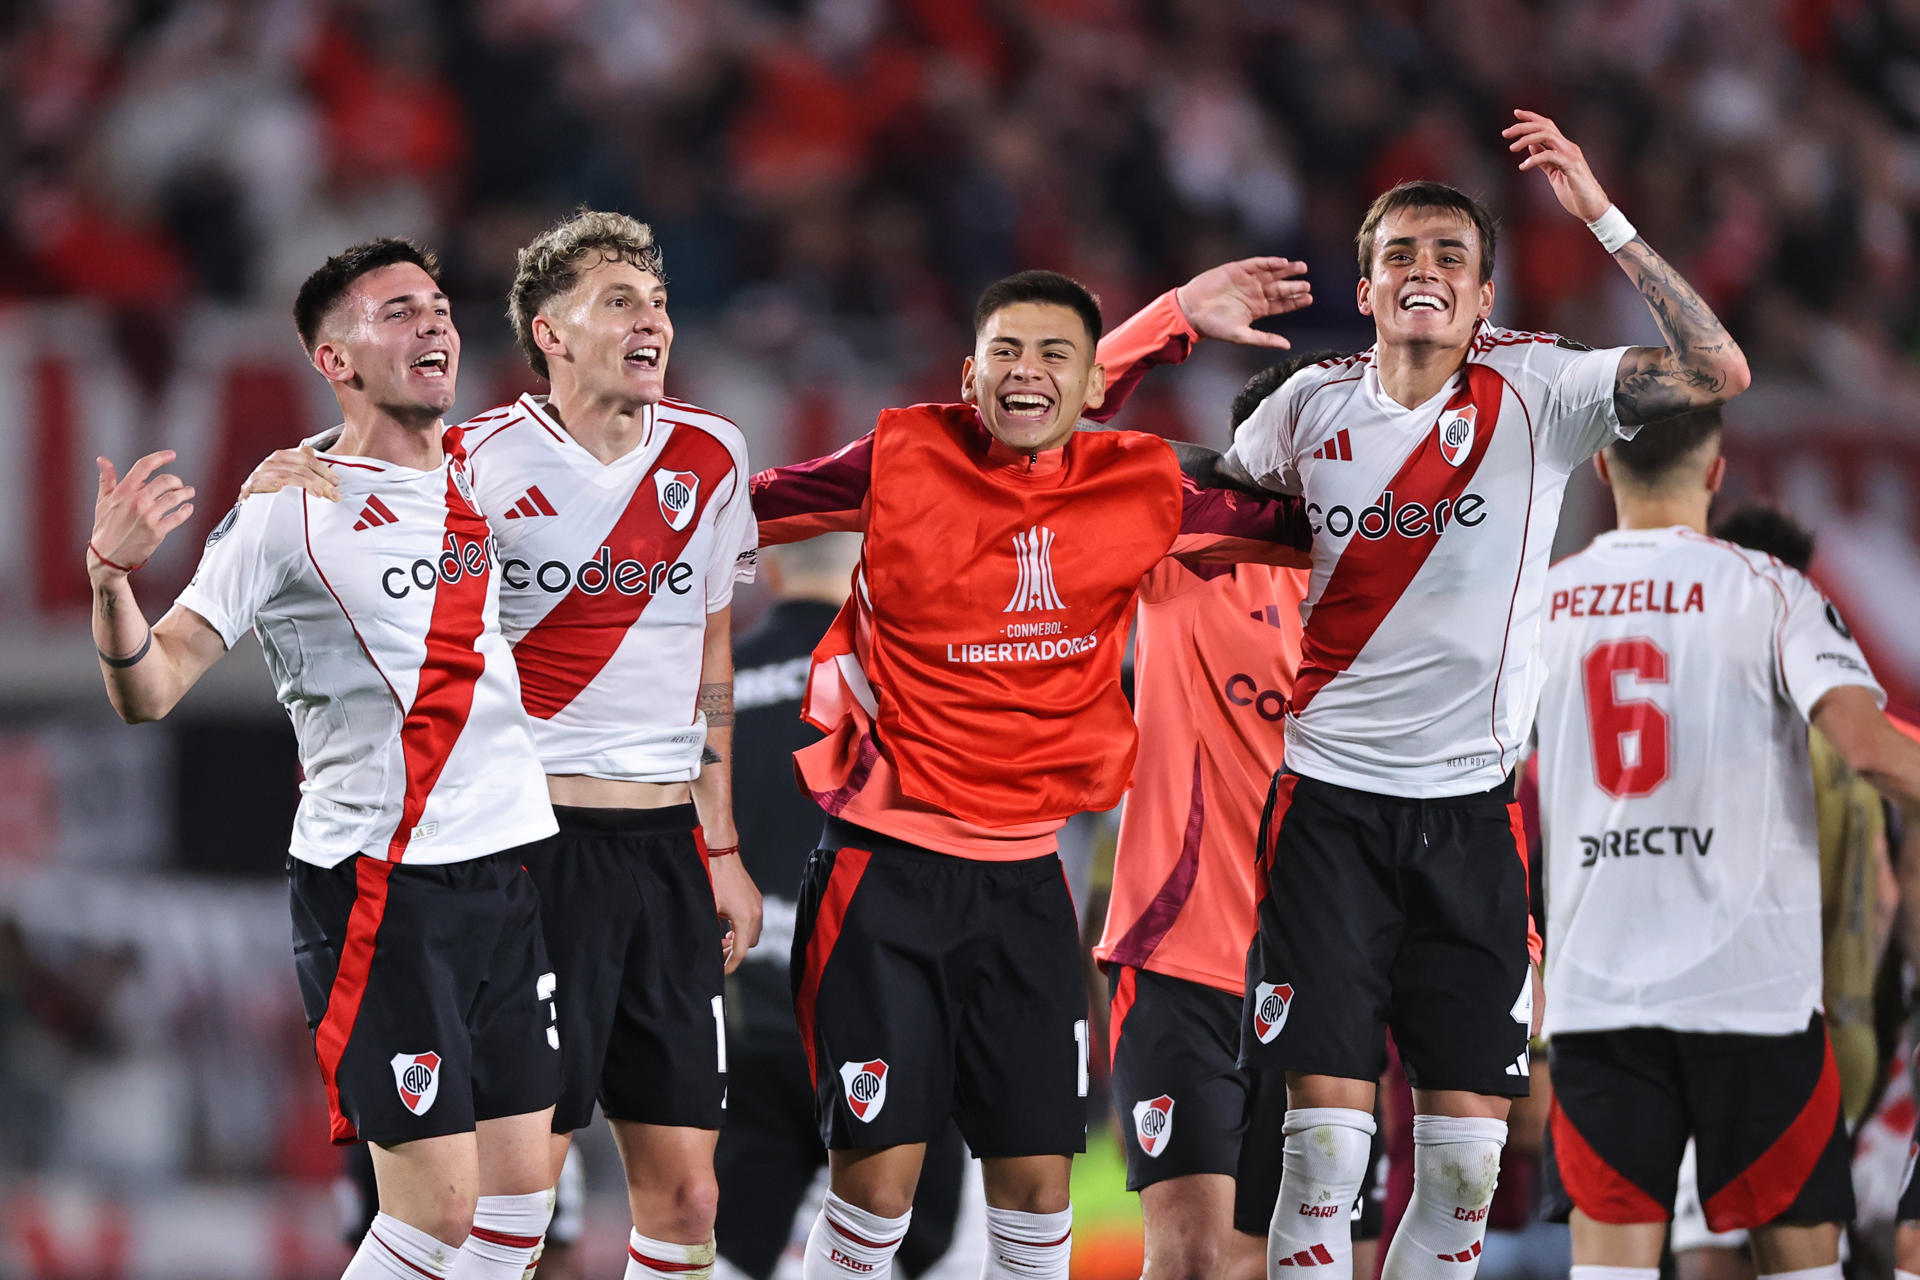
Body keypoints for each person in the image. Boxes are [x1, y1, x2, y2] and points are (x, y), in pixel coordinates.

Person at [1115, 108, 1754, 1279]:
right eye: (1400, 254)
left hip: (1471, 817)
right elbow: (1132, 493)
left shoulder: (1544, 388)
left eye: (1450, 257)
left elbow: (1719, 369)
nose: (1425, 272)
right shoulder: (1307, 412)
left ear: (1482, 295)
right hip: (1326, 815)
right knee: (1323, 1160)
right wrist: (1164, 330)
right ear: (1363, 291)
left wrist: (1601, 216)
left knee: (1460, 1176)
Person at [748, 259, 1316, 1280]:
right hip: (884, 873)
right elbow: (733, 513)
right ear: (967, 375)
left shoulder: (1135, 486)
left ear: (1093, 378)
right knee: (879, 1189)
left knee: (1038, 1193)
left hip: (1026, 884)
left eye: (1055, 353)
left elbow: (1303, 517)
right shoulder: (901, 456)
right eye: (1004, 351)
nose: (1027, 372)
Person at [244, 211, 765, 1280]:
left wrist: (721, 843)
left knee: (690, 1193)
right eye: (619, 300)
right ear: (551, 332)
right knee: (515, 1203)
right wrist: (285, 475)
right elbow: (357, 523)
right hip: (533, 847)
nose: (651, 320)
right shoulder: (475, 461)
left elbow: (710, 644)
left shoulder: (713, 455)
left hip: (666, 850)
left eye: (658, 300)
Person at [86, 238, 561, 1280]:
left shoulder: (492, 468)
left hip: (514, 868)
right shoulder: (289, 504)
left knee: (523, 1210)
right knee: (434, 1213)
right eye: (397, 311)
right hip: (384, 886)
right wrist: (112, 579)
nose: (433, 323)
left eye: (438, 305)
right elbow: (149, 687)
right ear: (335, 360)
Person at [1530, 411, 1920, 1280]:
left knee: (1614, 1271)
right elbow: (1867, 749)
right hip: (1755, 1000)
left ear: (1601, 463)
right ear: (1716, 473)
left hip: (1601, 998)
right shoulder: (1772, 588)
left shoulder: (1540, 602)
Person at [1089, 344, 1387, 1280]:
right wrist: (1171, 326)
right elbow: (1044, 437)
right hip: (1181, 957)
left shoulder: (1382, 584)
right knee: (1191, 1259)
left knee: (1297, 1261)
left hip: (1326, 969)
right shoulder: (1184, 543)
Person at [715, 532, 971, 1280]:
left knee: (731, 1244)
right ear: (871, 567)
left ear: (774, 565)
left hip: (747, 1010)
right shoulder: (916, 681)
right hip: (885, 1003)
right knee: (918, 1249)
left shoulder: (714, 681)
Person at [1666, 503, 1901, 1280]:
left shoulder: (1734, 722)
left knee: (1715, 1256)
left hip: (1750, 1031)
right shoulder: (1859, 731)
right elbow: (1891, 898)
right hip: (1851, 1030)